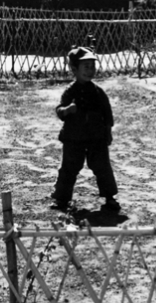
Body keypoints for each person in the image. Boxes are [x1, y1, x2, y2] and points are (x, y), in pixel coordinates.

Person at [51, 47, 121, 212]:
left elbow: (107, 113)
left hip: (96, 137)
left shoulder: (98, 92)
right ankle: (61, 198)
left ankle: (110, 197)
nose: (90, 71)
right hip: (74, 138)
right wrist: (68, 110)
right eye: (86, 67)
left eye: (92, 66)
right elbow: (59, 111)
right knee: (69, 167)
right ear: (74, 70)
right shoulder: (70, 92)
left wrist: (108, 131)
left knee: (102, 166)